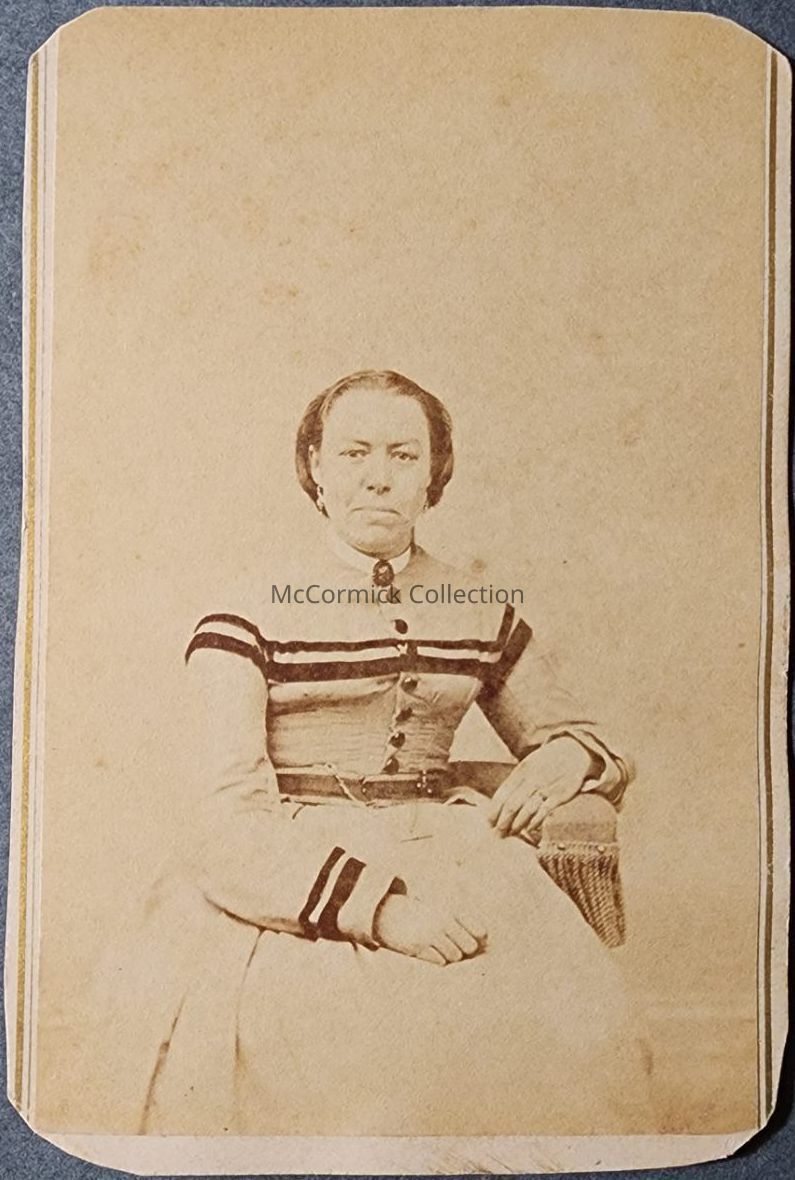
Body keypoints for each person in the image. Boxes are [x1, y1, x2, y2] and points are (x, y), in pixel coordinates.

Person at [85, 370, 654, 1136]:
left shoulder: (475, 604)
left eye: (403, 455)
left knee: (577, 1028)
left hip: (458, 855)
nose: (378, 477)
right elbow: (220, 820)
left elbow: (572, 733)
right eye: (354, 453)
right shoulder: (246, 611)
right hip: (289, 877)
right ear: (315, 468)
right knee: (358, 1055)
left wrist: (568, 758)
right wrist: (381, 911)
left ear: (434, 473)